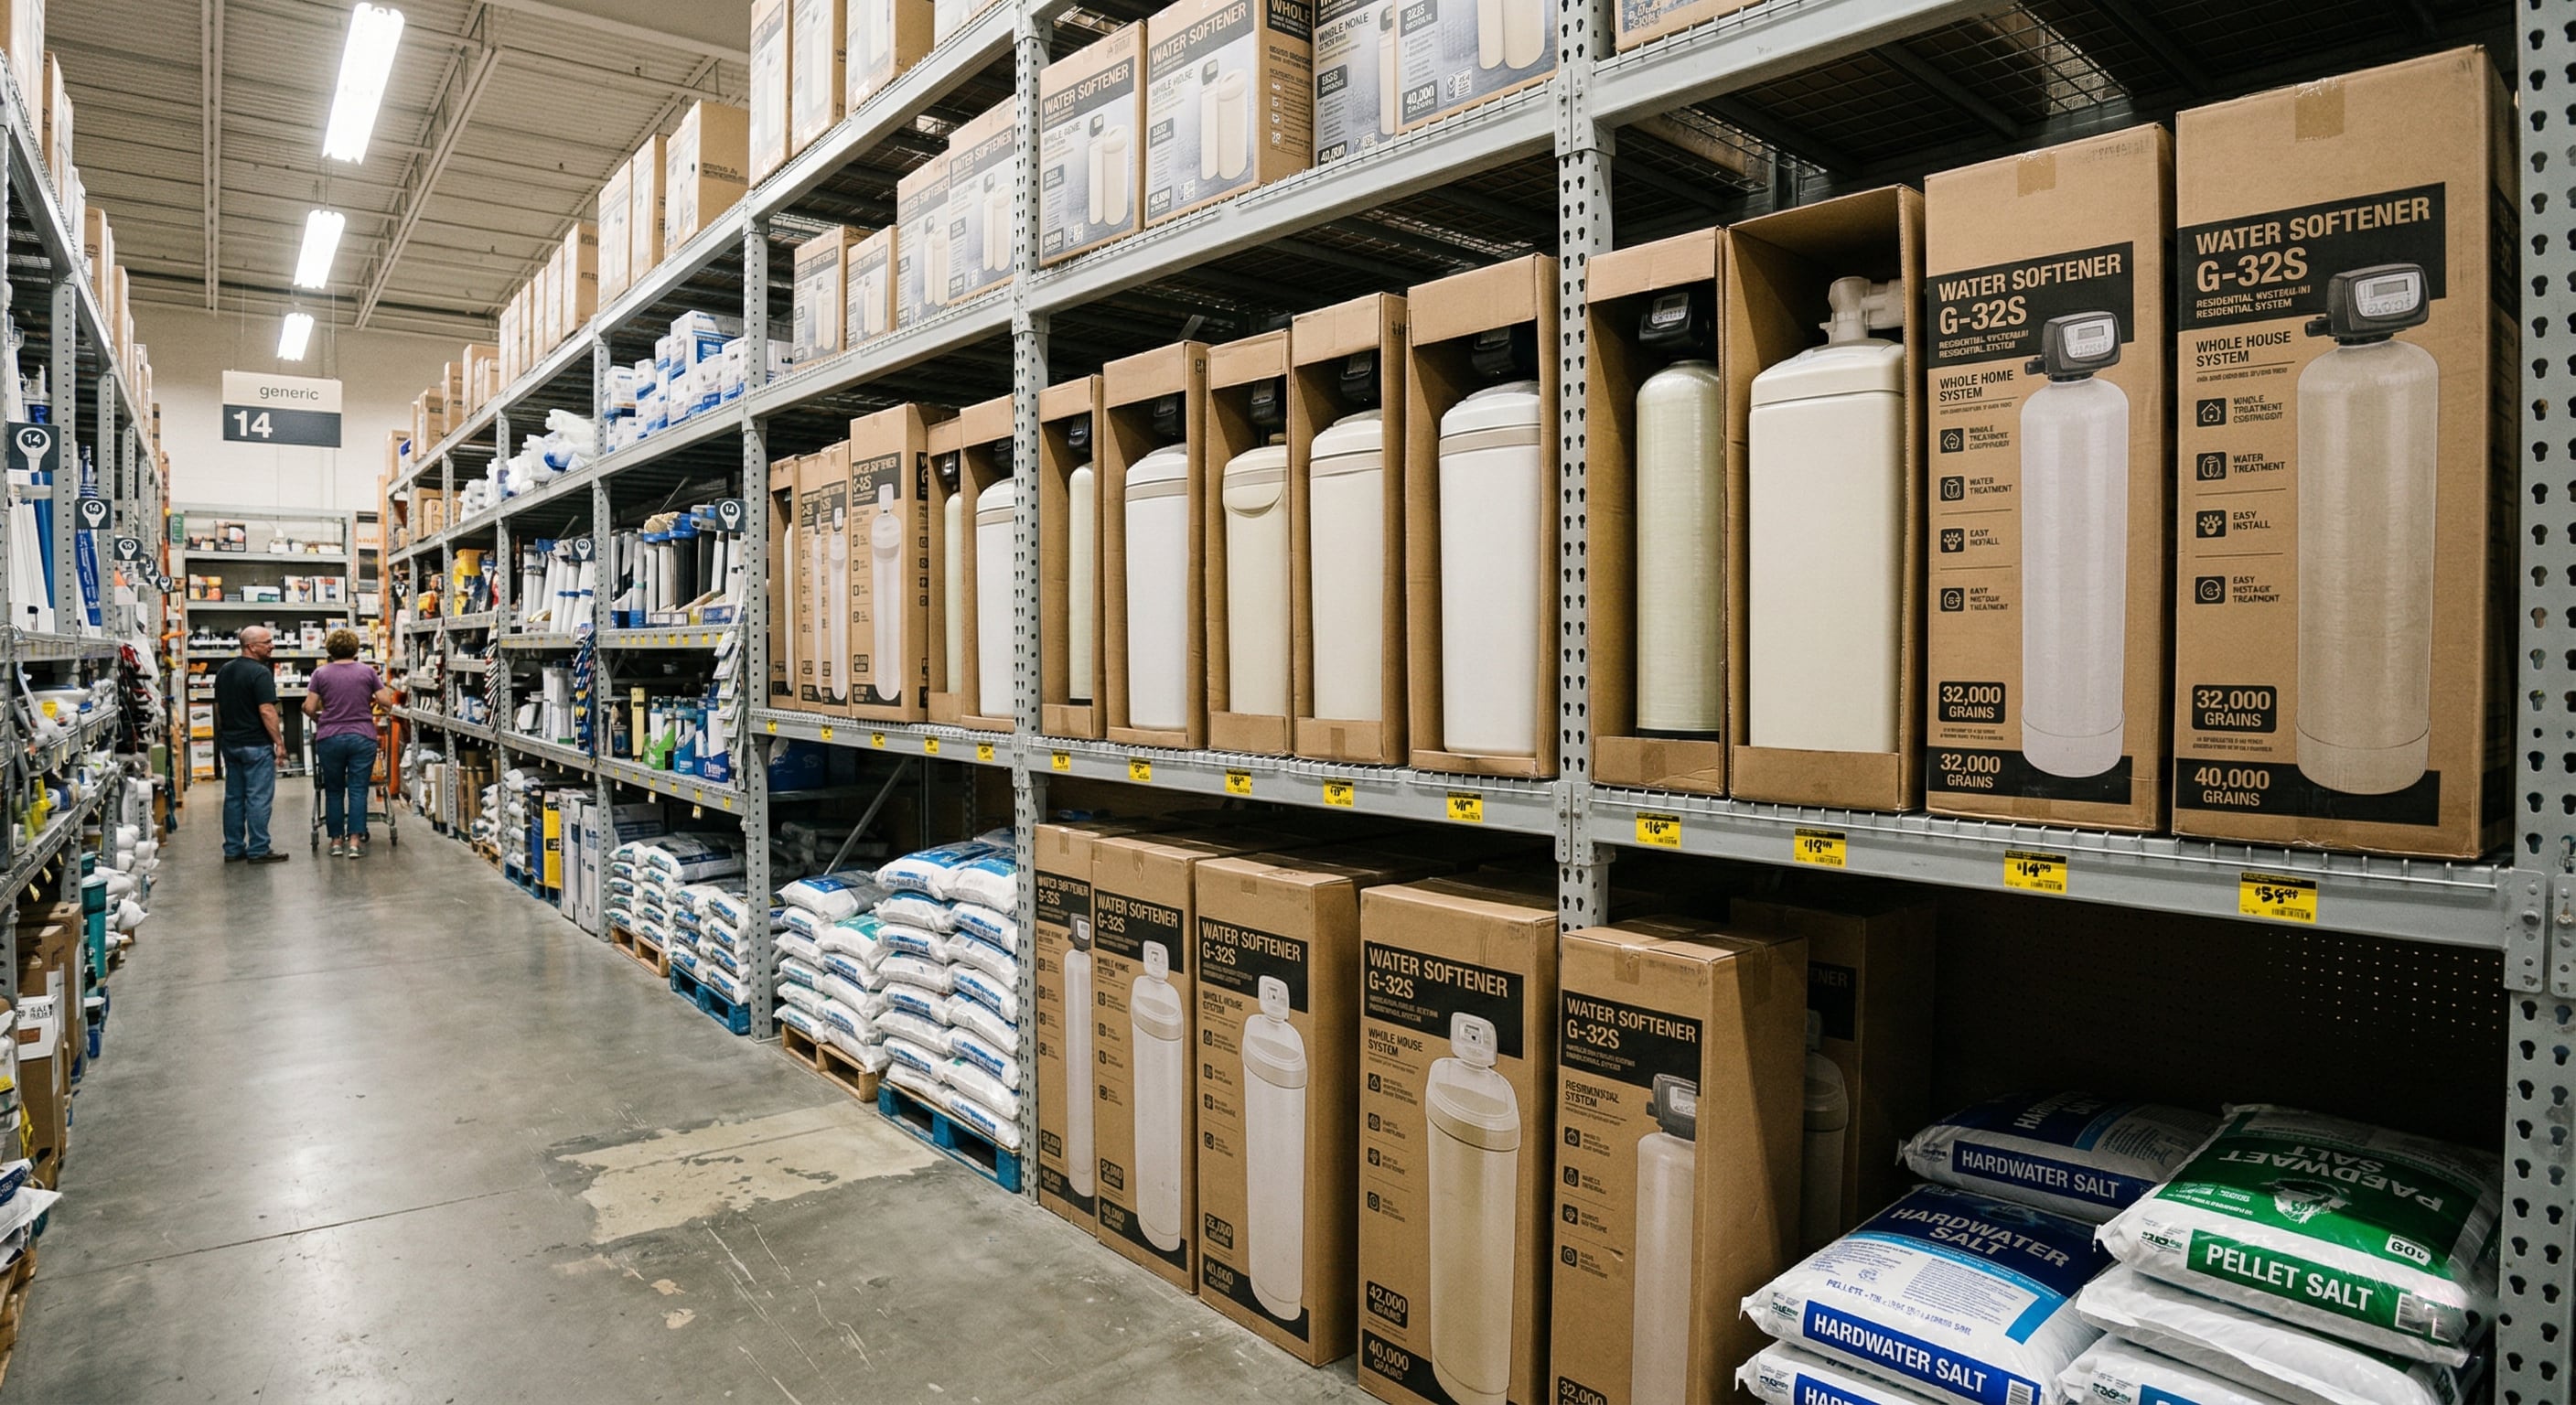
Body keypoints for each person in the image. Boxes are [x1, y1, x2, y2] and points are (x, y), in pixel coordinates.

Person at [303, 629, 397, 857]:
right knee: (358, 789)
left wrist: (320, 719)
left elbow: (309, 707)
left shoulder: (320, 673)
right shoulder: (367, 672)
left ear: (330, 650)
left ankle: (336, 841)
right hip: (362, 736)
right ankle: (355, 841)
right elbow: (386, 702)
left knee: (334, 789)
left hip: (330, 737)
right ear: (355, 649)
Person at [214, 625, 289, 864]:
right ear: (251, 646)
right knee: (258, 798)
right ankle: (258, 849)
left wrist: (225, 734)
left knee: (234, 798)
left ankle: (233, 848)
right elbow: (267, 710)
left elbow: (219, 708)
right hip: (256, 744)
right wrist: (279, 743)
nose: (272, 646)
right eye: (267, 642)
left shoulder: (224, 671)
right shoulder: (260, 673)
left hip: (231, 743)